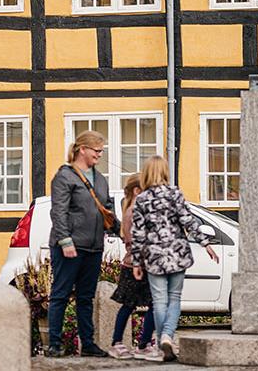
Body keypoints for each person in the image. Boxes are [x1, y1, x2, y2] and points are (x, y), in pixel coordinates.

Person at [129, 155, 218, 362]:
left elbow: (138, 233)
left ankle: (162, 342)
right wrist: (205, 243)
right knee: (175, 298)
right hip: (177, 253)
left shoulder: (142, 199)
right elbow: (188, 221)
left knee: (159, 300)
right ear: (165, 172)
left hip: (154, 257)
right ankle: (168, 336)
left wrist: (135, 262)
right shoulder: (175, 194)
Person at [46, 130, 117, 358]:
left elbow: (107, 208)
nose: (99, 154)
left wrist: (122, 231)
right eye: (97, 150)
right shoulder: (64, 177)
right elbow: (58, 212)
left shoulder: (101, 179)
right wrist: (65, 241)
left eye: (101, 151)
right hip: (70, 246)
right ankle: (55, 344)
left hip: (94, 246)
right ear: (82, 149)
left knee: (86, 298)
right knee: (61, 295)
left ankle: (88, 343)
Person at [107, 174, 157, 359]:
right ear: (138, 191)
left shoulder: (138, 210)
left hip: (144, 264)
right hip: (134, 266)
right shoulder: (134, 211)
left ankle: (143, 343)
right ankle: (117, 343)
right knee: (129, 305)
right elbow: (135, 240)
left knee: (152, 304)